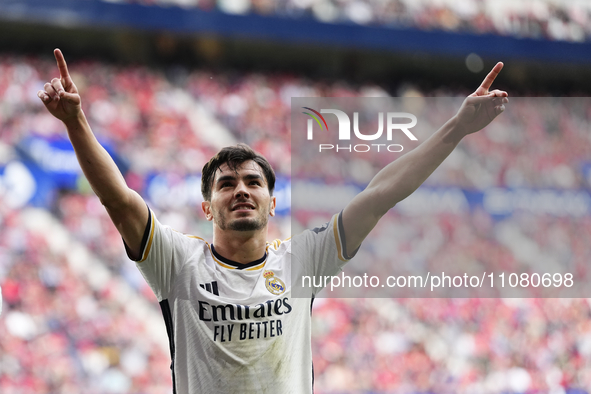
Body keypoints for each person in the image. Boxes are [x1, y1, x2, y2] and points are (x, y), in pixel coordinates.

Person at [38, 48, 508, 393]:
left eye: (252, 183)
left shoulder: (303, 259)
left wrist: (456, 128)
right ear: (207, 207)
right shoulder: (178, 263)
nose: (240, 190)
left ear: (271, 202)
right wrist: (75, 122)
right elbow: (120, 202)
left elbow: (381, 193)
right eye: (226, 185)